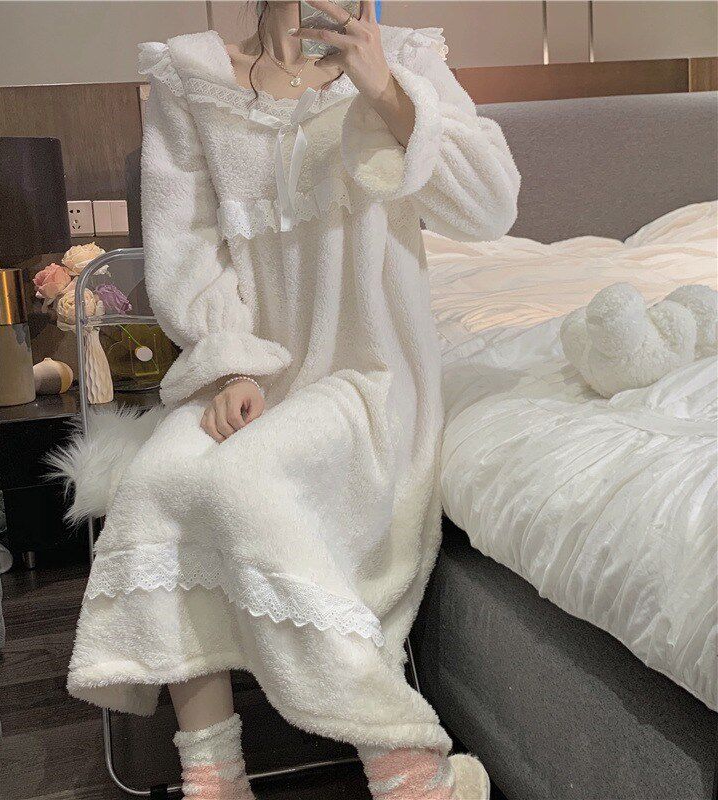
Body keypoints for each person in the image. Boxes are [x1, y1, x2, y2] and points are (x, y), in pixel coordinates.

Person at [65, 2, 520, 798]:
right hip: (254, 374)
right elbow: (186, 247)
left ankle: (406, 765)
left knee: (243, 481)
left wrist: (386, 89)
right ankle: (213, 775)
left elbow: (490, 207)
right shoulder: (192, 78)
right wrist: (230, 364)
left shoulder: (404, 56)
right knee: (157, 479)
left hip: (371, 376)